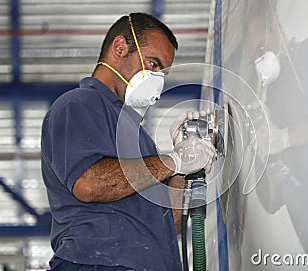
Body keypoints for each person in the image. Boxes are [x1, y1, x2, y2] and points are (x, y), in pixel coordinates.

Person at [41, 13, 216, 271]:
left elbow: (171, 223)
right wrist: (174, 160)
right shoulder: (79, 104)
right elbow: (89, 185)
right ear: (120, 48)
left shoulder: (136, 137)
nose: (158, 79)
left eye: (163, 72)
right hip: (96, 262)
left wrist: (182, 169)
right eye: (153, 64)